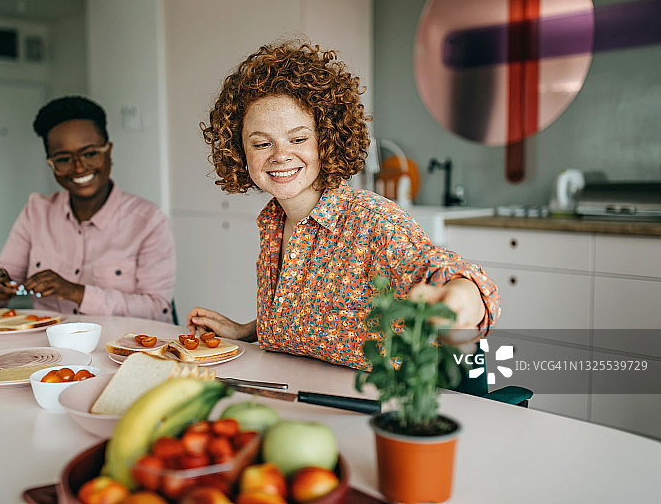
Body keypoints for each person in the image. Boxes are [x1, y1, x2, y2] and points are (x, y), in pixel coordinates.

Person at [187, 41, 500, 370]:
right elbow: (313, 318)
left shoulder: (372, 220)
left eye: (298, 139)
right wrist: (247, 331)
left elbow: (449, 277)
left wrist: (462, 301)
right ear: (240, 151)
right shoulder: (274, 221)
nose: (280, 156)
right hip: (303, 390)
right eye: (262, 143)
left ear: (326, 139)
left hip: (383, 398)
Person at [0, 96, 176, 321]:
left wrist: (75, 292)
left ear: (108, 151)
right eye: (63, 159)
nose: (79, 167)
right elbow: (0, 283)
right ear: (50, 162)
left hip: (121, 341)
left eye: (90, 154)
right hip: (50, 342)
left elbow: (158, 309)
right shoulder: (36, 212)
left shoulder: (147, 220)